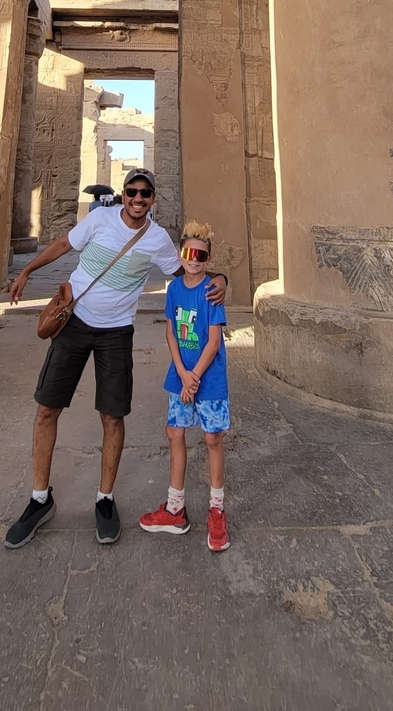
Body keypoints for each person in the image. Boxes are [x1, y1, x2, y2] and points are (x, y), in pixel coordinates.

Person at [4, 171, 227, 549]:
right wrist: (27, 270)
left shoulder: (157, 240)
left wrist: (221, 279)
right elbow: (62, 244)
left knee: (112, 416)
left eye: (145, 193)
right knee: (46, 409)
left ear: (153, 199)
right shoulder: (100, 218)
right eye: (132, 191)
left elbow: (189, 272)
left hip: (116, 332)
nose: (138, 198)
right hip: (74, 322)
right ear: (124, 195)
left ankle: (104, 500)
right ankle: (39, 499)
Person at [139, 221, 231, 553]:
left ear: (208, 259)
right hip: (182, 374)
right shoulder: (175, 288)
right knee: (175, 433)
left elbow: (213, 339)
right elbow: (170, 331)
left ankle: (217, 509)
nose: (194, 259)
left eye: (201, 255)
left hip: (208, 376)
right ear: (181, 254)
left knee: (211, 438)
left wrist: (193, 376)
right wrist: (181, 371)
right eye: (189, 252)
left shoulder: (211, 290)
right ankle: (175, 507)